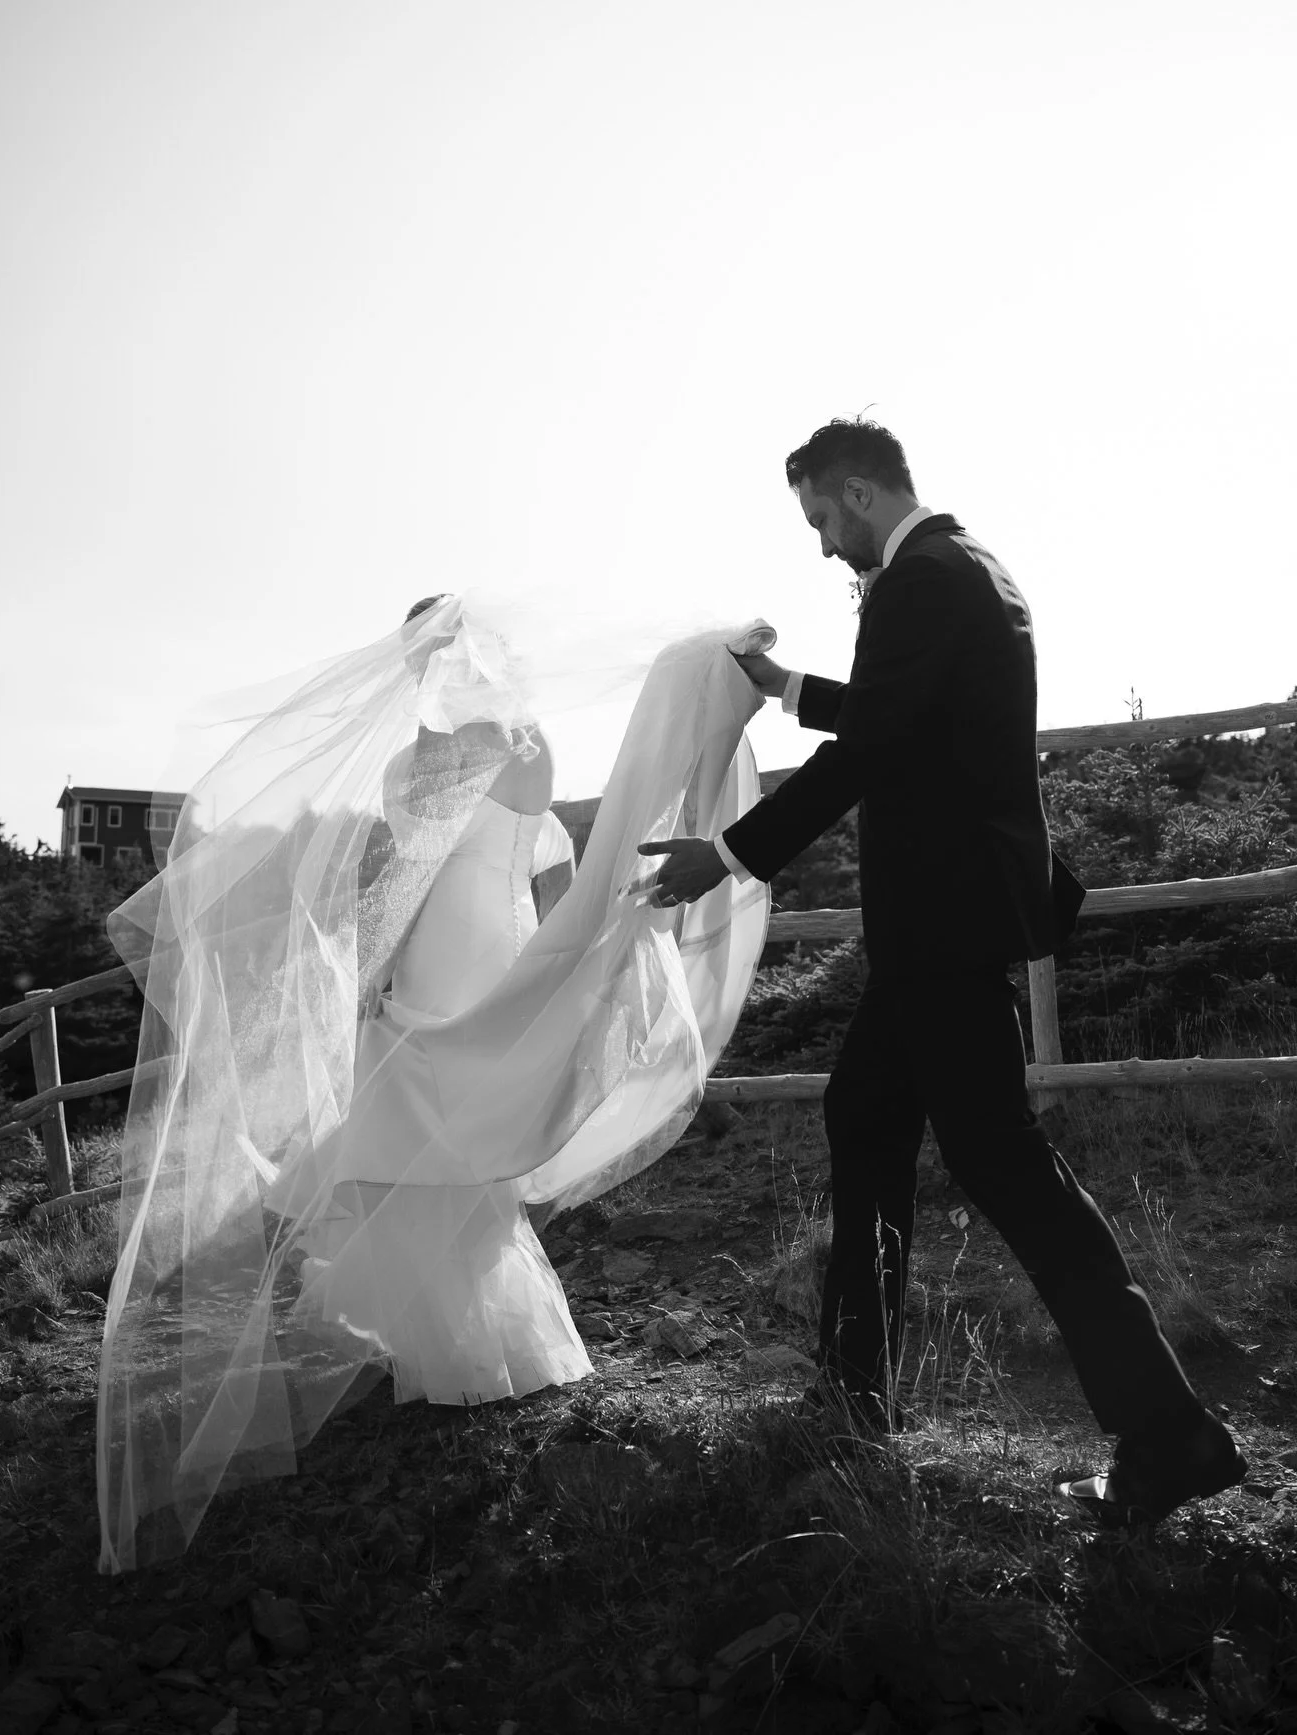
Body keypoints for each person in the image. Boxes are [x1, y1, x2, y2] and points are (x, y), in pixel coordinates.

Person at [637, 417, 1246, 1528]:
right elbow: (897, 716)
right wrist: (782, 684)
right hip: (938, 934)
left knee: (1006, 1167)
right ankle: (854, 1394)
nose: (824, 543)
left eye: (823, 517)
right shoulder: (965, 567)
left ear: (861, 492)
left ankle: (1172, 1431)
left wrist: (726, 855)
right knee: (863, 1116)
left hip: (943, 932)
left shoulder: (923, 582)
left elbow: (870, 750)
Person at [97, 594, 773, 1570]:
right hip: (474, 955)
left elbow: (417, 882)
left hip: (453, 965)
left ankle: (458, 1350)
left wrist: (386, 970)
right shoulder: (506, 749)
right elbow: (487, 873)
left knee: (417, 1142)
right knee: (429, 1145)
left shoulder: (435, 759)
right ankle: (456, 1346)